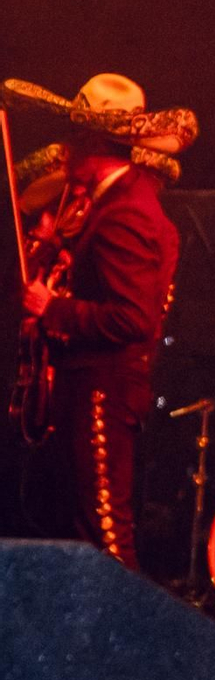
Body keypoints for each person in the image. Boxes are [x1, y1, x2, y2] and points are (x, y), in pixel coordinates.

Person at [5, 73, 192, 571]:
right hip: (87, 390)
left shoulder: (126, 212)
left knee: (104, 534)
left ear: (91, 140)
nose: (64, 148)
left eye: (73, 136)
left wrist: (53, 307)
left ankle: (122, 643)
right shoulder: (114, 203)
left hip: (101, 393)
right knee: (79, 529)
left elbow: (132, 317)